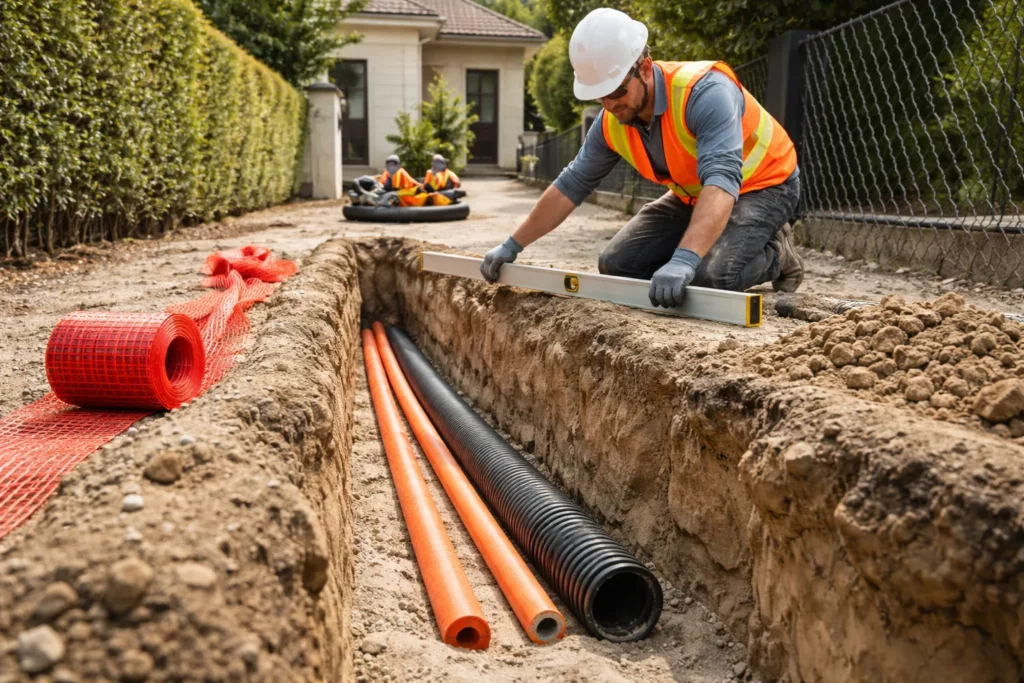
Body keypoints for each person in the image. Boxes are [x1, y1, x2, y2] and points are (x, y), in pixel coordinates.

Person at [479, 8, 804, 307]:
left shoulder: (705, 92)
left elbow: (721, 178)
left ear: (645, 68)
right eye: (599, 96)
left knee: (709, 277)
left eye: (616, 91)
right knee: (617, 265)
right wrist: (512, 245)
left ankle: (778, 253)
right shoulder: (611, 121)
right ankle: (707, 244)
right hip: (694, 194)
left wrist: (685, 259)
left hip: (766, 185)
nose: (609, 105)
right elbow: (571, 185)